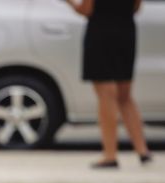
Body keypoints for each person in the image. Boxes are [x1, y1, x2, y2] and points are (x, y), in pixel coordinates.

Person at [65, 0, 151, 169]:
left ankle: (110, 154)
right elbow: (137, 7)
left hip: (101, 32)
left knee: (106, 95)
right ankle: (142, 150)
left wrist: (70, 3)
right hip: (126, 31)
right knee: (125, 96)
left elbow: (86, 9)